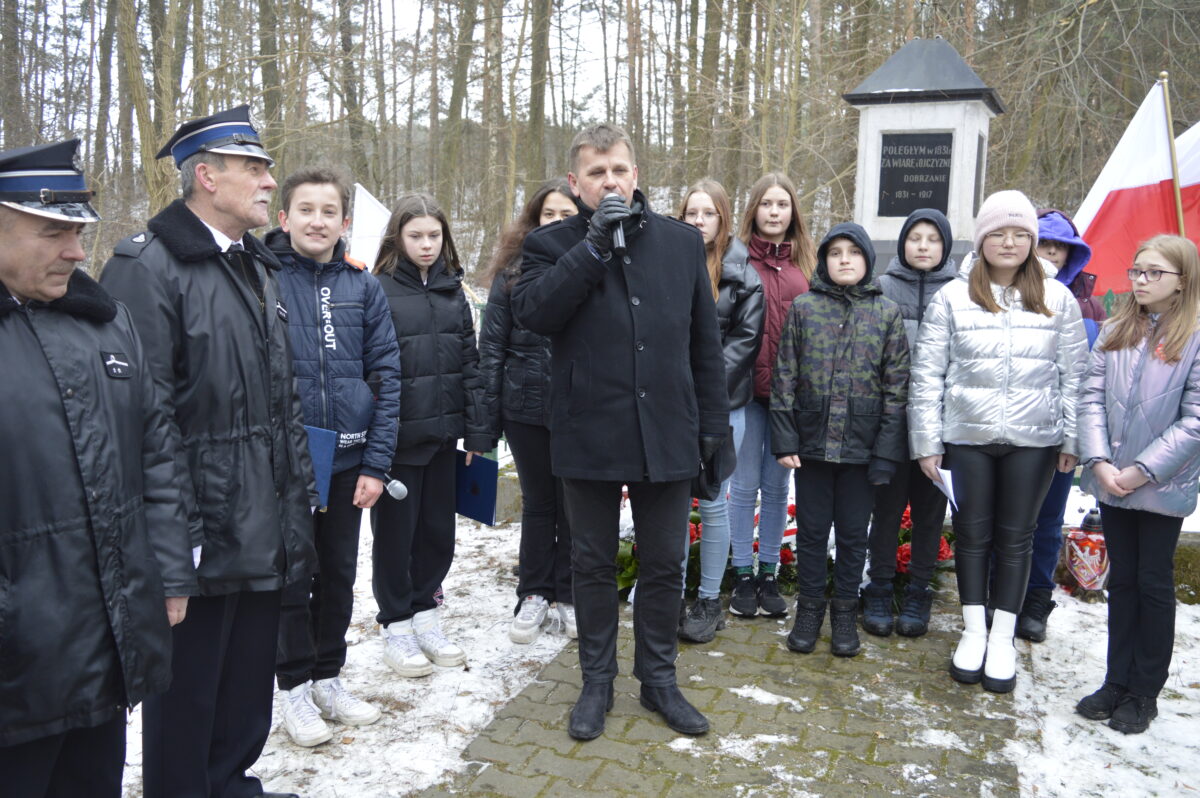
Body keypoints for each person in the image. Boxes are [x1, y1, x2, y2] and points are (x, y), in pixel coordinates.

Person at [100, 106, 315, 798]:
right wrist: (172, 550)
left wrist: (294, 508)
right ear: (205, 177)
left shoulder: (254, 266)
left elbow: (281, 408)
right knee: (187, 706)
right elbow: (138, 420)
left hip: (260, 528)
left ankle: (231, 786)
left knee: (245, 696)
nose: (268, 181)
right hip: (198, 540)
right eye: (253, 168)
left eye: (266, 167)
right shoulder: (147, 266)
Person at [511, 124, 727, 740]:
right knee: (592, 564)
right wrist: (593, 247)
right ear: (576, 183)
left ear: (636, 174)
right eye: (597, 173)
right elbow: (536, 315)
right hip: (588, 433)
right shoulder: (552, 245)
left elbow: (703, 347)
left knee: (664, 562)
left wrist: (713, 432)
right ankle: (596, 683)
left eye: (620, 171)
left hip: (667, 433)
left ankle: (659, 681)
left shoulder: (682, 244)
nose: (611, 182)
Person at [0, 140, 193, 798]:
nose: (78, 252)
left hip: (108, 648)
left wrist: (168, 569)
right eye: (54, 233)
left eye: (80, 233)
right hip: (17, 671)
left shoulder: (106, 325)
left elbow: (155, 453)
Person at [908, 190, 1087, 694]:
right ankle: (973, 630)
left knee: (1017, 538)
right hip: (968, 437)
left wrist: (1071, 437)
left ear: (1033, 241)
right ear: (982, 239)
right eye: (998, 233)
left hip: (1034, 441)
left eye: (1020, 234)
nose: (1008, 243)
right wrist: (926, 441)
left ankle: (1003, 636)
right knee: (971, 533)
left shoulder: (1058, 298)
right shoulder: (953, 296)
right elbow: (927, 375)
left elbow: (1074, 375)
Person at [267, 166, 402, 746]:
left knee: (340, 576)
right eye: (306, 209)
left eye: (329, 212)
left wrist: (375, 464)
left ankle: (328, 676)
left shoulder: (362, 285)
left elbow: (388, 375)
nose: (317, 221)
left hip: (347, 463)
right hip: (288, 462)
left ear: (345, 222)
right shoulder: (263, 280)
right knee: (294, 579)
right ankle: (293, 687)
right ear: (284, 217)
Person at [1075, 234, 1200, 735]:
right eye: (1136, 271)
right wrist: (1100, 460)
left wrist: (1143, 469)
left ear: (1181, 281)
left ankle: (1143, 691)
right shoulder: (1114, 330)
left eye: (1154, 273)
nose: (1141, 281)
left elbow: (1195, 419)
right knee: (1121, 581)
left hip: (1160, 483)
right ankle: (1115, 680)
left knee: (1151, 583)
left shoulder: (1194, 336)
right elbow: (1089, 399)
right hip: (1113, 478)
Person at [772, 222, 909, 657]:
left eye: (853, 252)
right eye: (835, 253)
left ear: (868, 260)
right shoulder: (804, 309)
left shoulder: (886, 313)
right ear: (824, 260)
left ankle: (845, 611)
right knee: (812, 532)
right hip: (811, 446)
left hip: (862, 450)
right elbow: (785, 376)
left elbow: (896, 388)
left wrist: (886, 453)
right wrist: (785, 437)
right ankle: (810, 609)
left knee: (853, 534)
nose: (844, 259)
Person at [372, 192, 490, 678]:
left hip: (445, 440)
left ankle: (427, 613)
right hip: (397, 444)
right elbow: (372, 369)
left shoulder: (452, 291)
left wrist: (477, 433)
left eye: (434, 236)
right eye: (416, 235)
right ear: (398, 237)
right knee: (396, 537)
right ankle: (396, 624)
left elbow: (470, 364)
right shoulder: (376, 289)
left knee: (438, 534)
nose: (426, 245)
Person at [478, 178, 579, 645]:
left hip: (581, 408)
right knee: (541, 503)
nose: (558, 223)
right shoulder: (513, 272)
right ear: (534, 220)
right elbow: (492, 345)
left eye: (566, 215)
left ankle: (568, 592)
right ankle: (534, 592)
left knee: (576, 505)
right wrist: (486, 420)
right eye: (549, 215)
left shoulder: (594, 266)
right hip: (526, 406)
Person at [674, 179, 763, 643]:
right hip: (671, 408)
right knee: (670, 504)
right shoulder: (668, 264)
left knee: (712, 503)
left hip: (722, 409)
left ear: (724, 219)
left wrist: (696, 390)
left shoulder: (745, 277)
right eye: (692, 213)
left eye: (708, 213)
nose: (699, 221)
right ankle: (669, 595)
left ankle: (709, 599)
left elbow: (742, 347)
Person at [863, 209, 956, 638]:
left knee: (929, 513)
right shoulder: (881, 287)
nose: (923, 246)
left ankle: (919, 590)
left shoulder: (960, 292)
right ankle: (879, 587)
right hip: (892, 423)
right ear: (902, 243)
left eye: (932, 239)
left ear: (945, 246)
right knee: (886, 511)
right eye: (915, 237)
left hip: (940, 425)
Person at [1016, 207, 1106, 643]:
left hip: (1059, 434)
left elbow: (1088, 376)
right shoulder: (1010, 291)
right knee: (1007, 520)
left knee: (1049, 520)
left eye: (1059, 247)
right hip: (1014, 430)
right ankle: (1002, 596)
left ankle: (1036, 599)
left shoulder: (1090, 305)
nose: (1051, 253)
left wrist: (1077, 434)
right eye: (1044, 244)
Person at [728, 172, 815, 619]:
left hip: (788, 400)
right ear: (755, 210)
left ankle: (769, 574)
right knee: (744, 488)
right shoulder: (738, 262)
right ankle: (742, 573)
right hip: (745, 393)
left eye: (783, 204)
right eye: (767, 204)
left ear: (792, 212)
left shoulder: (806, 267)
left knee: (778, 487)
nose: (775, 212)